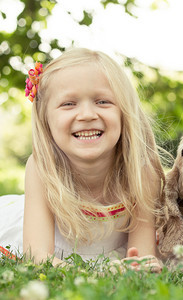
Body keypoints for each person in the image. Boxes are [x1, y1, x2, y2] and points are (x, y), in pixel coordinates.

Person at [0, 48, 165, 272]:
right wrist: (92, 275)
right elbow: (38, 257)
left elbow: (142, 256)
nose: (87, 114)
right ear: (45, 118)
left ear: (124, 112)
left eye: (103, 102)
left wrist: (135, 267)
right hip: (39, 240)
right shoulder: (42, 168)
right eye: (68, 104)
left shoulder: (142, 171)